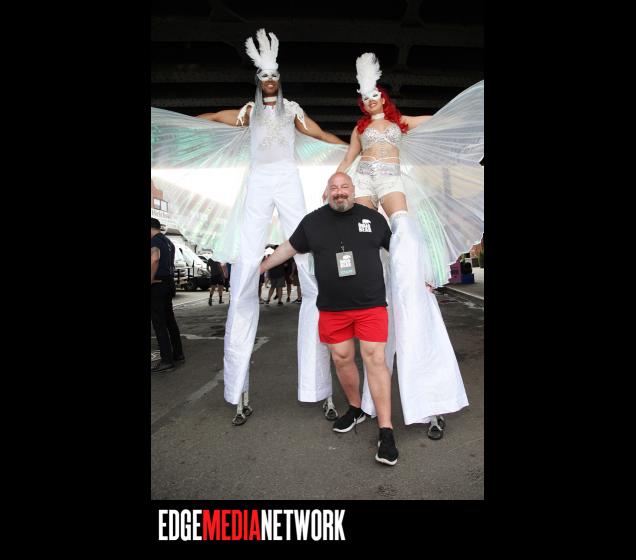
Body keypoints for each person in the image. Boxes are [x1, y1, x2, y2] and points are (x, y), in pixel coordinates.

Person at [193, 29, 347, 425]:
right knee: (246, 266)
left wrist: (351, 152)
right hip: (259, 181)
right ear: (258, 81)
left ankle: (319, 388)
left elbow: (320, 134)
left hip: (288, 180)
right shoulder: (249, 112)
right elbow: (214, 118)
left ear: (279, 78)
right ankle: (238, 388)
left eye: (274, 75)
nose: (270, 80)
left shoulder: (292, 109)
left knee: (308, 259)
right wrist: (186, 125)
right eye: (264, 76)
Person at [326, 53, 481, 438]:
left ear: (383, 96)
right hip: (365, 180)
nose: (370, 101)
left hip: (391, 178)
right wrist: (334, 183)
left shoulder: (399, 122)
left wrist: (460, 120)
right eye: (365, 98)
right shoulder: (359, 129)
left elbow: (437, 123)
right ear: (362, 102)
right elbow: (348, 159)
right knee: (363, 234)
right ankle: (366, 406)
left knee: (405, 227)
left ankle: (418, 271)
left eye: (375, 95)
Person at [261, 172, 400, 465]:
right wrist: (260, 268)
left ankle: (386, 430)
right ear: (327, 192)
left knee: (375, 359)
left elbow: (399, 252)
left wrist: (423, 277)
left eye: (344, 187)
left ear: (353, 190)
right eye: (334, 187)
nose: (339, 192)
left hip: (370, 306)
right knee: (341, 358)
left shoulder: (373, 219)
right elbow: (287, 248)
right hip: (332, 309)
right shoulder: (312, 222)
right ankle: (355, 408)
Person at [150, 218, 185, 373]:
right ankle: (178, 354)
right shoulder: (169, 242)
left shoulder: (154, 241)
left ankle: (166, 360)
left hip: (158, 284)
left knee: (159, 323)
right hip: (169, 283)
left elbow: (154, 258)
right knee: (170, 319)